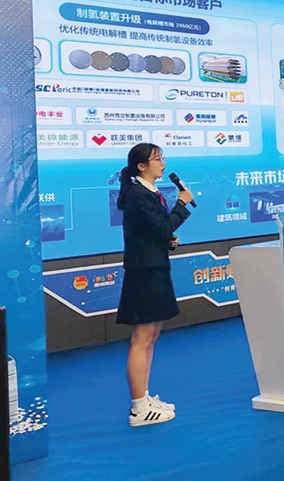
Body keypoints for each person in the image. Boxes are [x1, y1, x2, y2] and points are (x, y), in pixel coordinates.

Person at [115, 143, 193, 427]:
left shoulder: (149, 192)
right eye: (157, 159)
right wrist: (181, 205)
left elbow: (154, 232)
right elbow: (160, 227)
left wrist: (168, 241)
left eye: (162, 158)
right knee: (142, 338)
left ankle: (144, 398)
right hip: (144, 273)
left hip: (153, 268)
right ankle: (139, 409)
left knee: (151, 336)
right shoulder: (138, 194)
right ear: (141, 166)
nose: (162, 163)